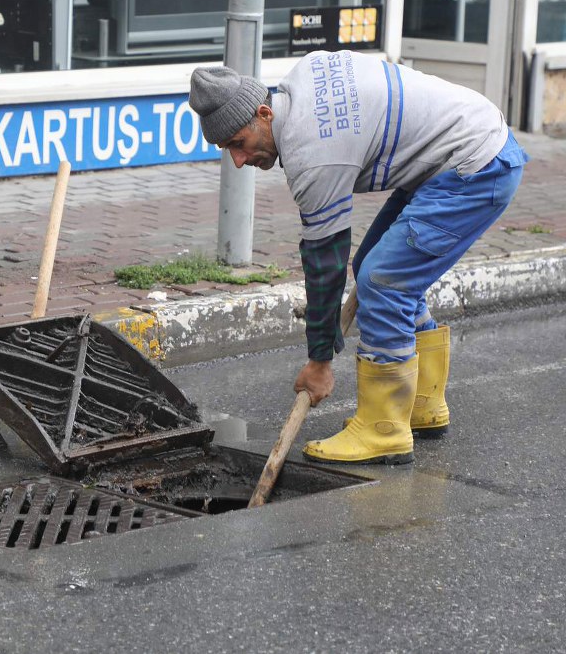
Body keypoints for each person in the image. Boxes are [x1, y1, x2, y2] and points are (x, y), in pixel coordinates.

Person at [188, 50, 528, 464]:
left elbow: (323, 264)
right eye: (228, 150)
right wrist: (323, 346)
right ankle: (423, 404)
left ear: (263, 113)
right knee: (375, 266)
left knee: (383, 280)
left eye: (238, 144)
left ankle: (384, 429)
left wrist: (319, 361)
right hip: (456, 153)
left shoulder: (313, 150)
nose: (239, 161)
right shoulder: (302, 79)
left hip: (476, 165)